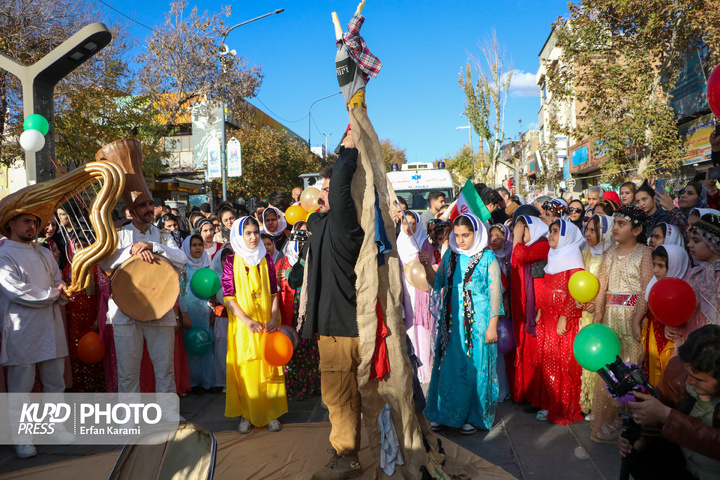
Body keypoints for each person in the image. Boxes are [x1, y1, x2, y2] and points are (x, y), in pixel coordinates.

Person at [288, 129, 364, 479]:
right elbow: (296, 279)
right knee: (338, 395)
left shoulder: (346, 223)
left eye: (327, 189)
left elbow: (341, 183)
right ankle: (348, 450)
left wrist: (348, 149)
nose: (321, 194)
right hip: (328, 326)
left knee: (339, 396)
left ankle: (346, 458)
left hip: (341, 325)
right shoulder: (319, 224)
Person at [0, 213, 74, 458]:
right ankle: (22, 438)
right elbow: (16, 292)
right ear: (10, 223)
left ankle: (56, 426)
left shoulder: (43, 252)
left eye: (35, 222)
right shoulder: (4, 254)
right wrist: (54, 293)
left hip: (51, 326)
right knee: (21, 386)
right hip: (22, 330)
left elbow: (57, 279)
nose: (32, 226)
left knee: (55, 381)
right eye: (26, 221)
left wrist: (62, 288)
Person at [422, 213, 503, 434]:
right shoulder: (450, 256)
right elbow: (437, 282)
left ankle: (471, 416)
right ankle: (443, 412)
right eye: (457, 235)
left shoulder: (487, 258)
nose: (461, 240)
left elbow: (496, 294)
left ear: (476, 233)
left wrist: (492, 326)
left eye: (465, 235)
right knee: (447, 366)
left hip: (478, 322)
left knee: (473, 367)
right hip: (451, 320)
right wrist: (426, 265)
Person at [101, 196, 187, 395]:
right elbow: (105, 263)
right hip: (125, 312)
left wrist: (152, 246)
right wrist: (130, 250)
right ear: (131, 210)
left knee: (165, 371)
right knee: (127, 374)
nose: (149, 209)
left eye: (150, 204)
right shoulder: (119, 235)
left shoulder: (162, 235)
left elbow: (181, 258)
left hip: (161, 309)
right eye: (142, 205)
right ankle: (128, 423)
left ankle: (169, 419)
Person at [618, 325, 720, 480]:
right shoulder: (676, 368)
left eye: (699, 379)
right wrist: (641, 438)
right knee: (642, 458)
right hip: (684, 463)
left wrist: (667, 416)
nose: (689, 381)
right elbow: (656, 412)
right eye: (688, 373)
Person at [591, 205, 653, 443]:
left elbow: (646, 289)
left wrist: (638, 317)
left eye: (621, 224)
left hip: (631, 320)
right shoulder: (609, 254)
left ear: (636, 230)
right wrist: (598, 315)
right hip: (610, 320)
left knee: (630, 369)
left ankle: (632, 425)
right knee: (610, 368)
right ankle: (609, 422)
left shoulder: (645, 253)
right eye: (615, 223)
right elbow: (601, 287)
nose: (615, 228)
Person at [222, 216, 287, 433]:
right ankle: (246, 415)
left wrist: (275, 316)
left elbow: (273, 292)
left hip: (266, 323)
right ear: (239, 236)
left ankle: (271, 413)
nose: (252, 237)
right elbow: (229, 297)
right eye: (247, 233)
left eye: (255, 233)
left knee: (268, 365)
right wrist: (248, 321)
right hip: (244, 325)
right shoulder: (231, 261)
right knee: (246, 368)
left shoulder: (265, 259)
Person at [535, 219, 585, 424]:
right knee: (548, 360)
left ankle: (564, 407)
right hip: (547, 314)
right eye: (550, 231)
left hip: (562, 316)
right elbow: (546, 284)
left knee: (562, 361)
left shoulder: (573, 257)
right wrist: (539, 309)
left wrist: (565, 315)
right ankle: (550, 403)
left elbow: (576, 291)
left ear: (566, 235)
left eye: (556, 231)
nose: (551, 235)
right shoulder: (553, 255)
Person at [276, 221, 321, 401]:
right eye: (298, 239)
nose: (301, 245)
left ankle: (311, 385)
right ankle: (293, 386)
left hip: (308, 312)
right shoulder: (282, 263)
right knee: (290, 348)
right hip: (288, 314)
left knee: (309, 348)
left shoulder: (312, 259)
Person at [510, 215, 549, 408]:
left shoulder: (543, 244)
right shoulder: (531, 246)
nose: (518, 232)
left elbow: (519, 255)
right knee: (524, 349)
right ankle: (524, 393)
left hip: (539, 306)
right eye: (517, 229)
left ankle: (536, 396)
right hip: (526, 305)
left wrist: (517, 237)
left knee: (536, 351)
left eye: (522, 228)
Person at [578, 214, 614, 415]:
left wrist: (598, 304)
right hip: (585, 315)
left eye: (594, 230)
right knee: (587, 356)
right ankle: (587, 402)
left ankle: (601, 406)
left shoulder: (612, 256)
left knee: (602, 356)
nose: (588, 234)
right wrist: (581, 301)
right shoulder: (585, 254)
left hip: (605, 315)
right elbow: (578, 282)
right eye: (588, 229)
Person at [643, 244, 690, 386]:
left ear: (676, 266)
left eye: (661, 266)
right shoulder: (654, 287)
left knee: (668, 379)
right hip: (653, 340)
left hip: (671, 344)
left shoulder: (683, 292)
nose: (655, 270)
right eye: (654, 264)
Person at [399, 210, 436, 384]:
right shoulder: (398, 243)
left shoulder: (424, 244)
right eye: (405, 223)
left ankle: (425, 370)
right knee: (408, 327)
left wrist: (426, 261)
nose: (408, 227)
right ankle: (410, 370)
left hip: (420, 291)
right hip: (404, 291)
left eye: (412, 223)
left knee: (421, 328)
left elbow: (430, 270)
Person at [672, 214, 720, 350]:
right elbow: (682, 310)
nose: (689, 244)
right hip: (692, 342)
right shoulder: (692, 274)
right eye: (690, 240)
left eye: (696, 240)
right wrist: (672, 325)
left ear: (713, 242)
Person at [180, 234, 216, 392]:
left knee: (206, 343)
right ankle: (192, 383)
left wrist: (213, 311)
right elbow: (179, 292)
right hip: (189, 312)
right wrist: (183, 314)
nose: (197, 248)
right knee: (191, 344)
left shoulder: (207, 266)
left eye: (200, 245)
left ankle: (207, 381)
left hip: (204, 312)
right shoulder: (182, 268)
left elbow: (213, 290)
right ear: (187, 247)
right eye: (193, 245)